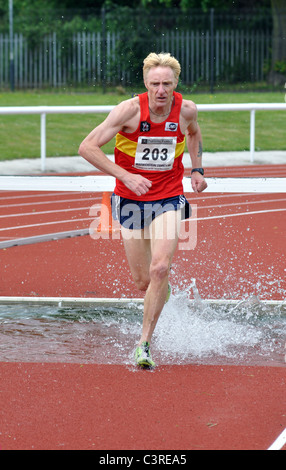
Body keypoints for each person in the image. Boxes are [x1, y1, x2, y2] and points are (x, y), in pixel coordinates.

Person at [79, 52, 207, 368]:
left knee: (159, 267)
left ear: (176, 83)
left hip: (168, 197)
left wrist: (198, 169)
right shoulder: (129, 111)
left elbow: (193, 133)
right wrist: (125, 175)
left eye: (166, 83)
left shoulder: (186, 110)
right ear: (146, 84)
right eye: (154, 84)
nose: (161, 90)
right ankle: (159, 290)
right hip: (130, 199)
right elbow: (87, 147)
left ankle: (144, 344)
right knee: (142, 281)